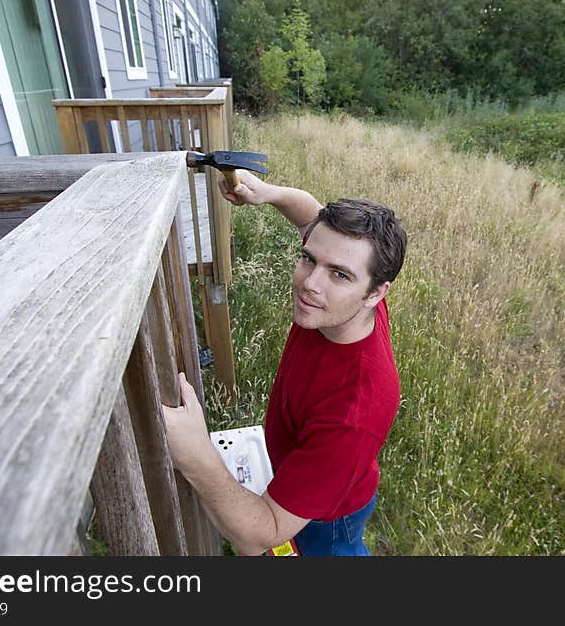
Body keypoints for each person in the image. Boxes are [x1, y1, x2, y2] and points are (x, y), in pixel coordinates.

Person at [162, 168, 407, 556]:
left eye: (339, 275)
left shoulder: (354, 410)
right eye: (308, 260)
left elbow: (265, 532)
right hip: (311, 476)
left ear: (377, 293)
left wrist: (195, 455)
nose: (311, 283)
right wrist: (267, 193)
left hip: (330, 520)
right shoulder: (352, 298)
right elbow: (311, 214)